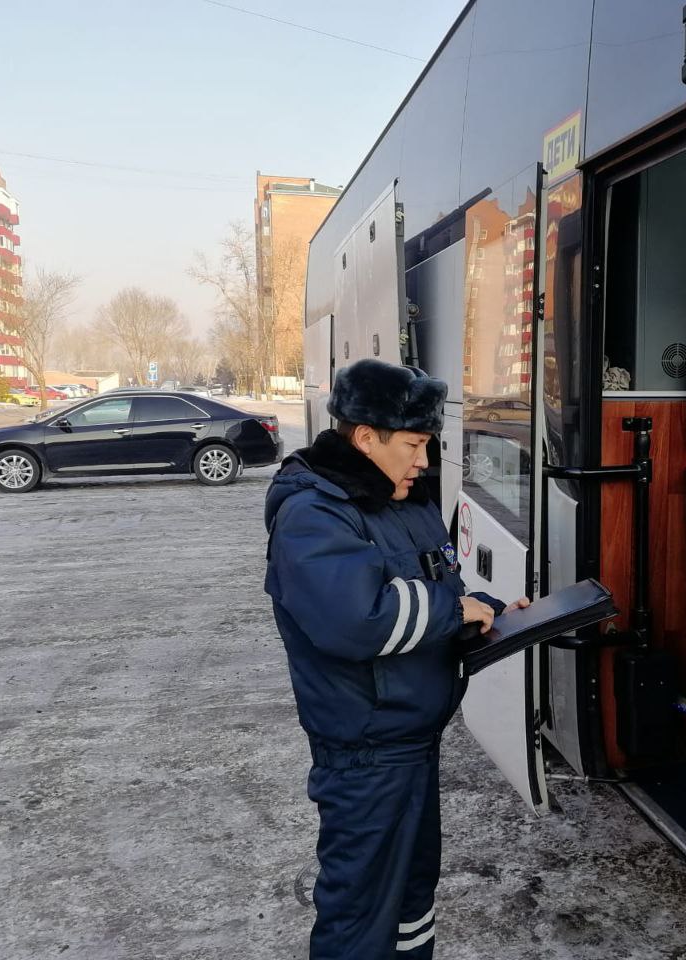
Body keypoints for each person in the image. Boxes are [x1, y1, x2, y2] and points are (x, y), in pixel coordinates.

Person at [264, 358, 524, 959]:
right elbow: (356, 619)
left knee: (411, 904)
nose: (424, 461)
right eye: (413, 444)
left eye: (428, 444)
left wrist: (489, 612)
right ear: (364, 437)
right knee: (361, 917)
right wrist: (455, 612)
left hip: (410, 746)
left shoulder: (400, 501)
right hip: (366, 757)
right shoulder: (314, 511)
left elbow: (434, 595)